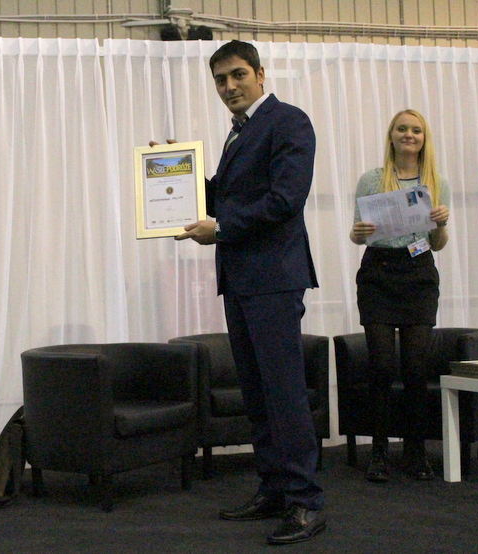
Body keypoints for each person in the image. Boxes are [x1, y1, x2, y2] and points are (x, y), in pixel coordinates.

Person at [173, 40, 325, 545]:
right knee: (257, 393)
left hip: (274, 279)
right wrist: (174, 171)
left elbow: (285, 200)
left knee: (283, 392)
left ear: (261, 74)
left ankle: (305, 501)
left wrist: (220, 228)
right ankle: (275, 489)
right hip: (241, 279)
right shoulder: (239, 132)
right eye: (220, 80)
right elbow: (226, 195)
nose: (229, 86)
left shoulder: (288, 121)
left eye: (238, 75)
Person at [349, 109, 450, 483]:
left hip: (418, 273)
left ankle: (416, 452)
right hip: (378, 273)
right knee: (380, 366)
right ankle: (378, 452)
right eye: (402, 129)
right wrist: (358, 233)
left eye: (416, 130)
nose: (409, 135)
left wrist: (441, 225)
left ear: (424, 138)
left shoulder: (435, 182)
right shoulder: (372, 180)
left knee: (415, 369)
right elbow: (356, 234)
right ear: (391, 136)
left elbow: (437, 244)